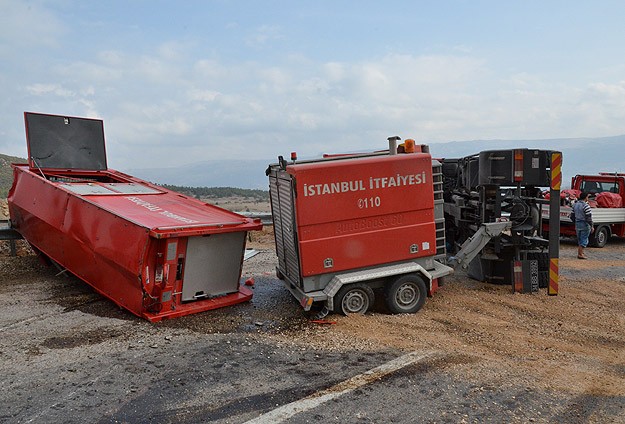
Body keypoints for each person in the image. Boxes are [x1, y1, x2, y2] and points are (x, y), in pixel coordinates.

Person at [572, 192, 594, 259]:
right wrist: (592, 226)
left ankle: (581, 252)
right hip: (584, 224)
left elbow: (572, 216)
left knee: (579, 239)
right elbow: (588, 217)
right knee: (584, 239)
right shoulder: (586, 206)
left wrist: (575, 222)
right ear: (586, 197)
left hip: (577, 223)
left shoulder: (575, 205)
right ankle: (580, 254)